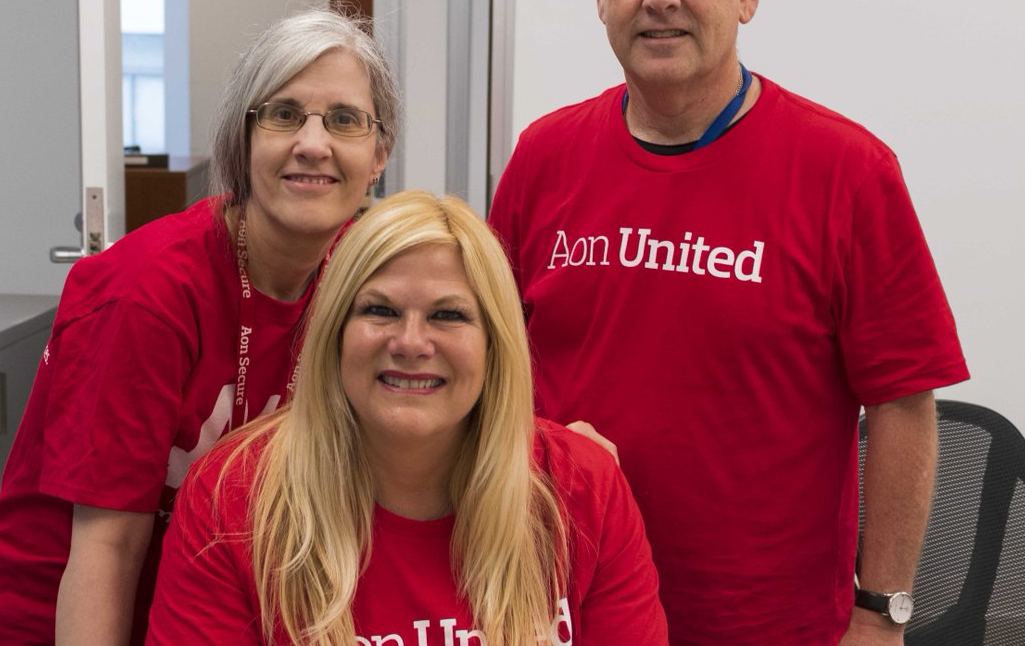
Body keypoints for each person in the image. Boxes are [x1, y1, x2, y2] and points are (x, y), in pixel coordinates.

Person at [487, 0, 969, 644]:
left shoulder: (846, 171)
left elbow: (904, 402)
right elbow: (487, 361)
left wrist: (882, 613)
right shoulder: (544, 156)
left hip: (764, 622)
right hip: (560, 602)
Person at [0, 8, 398, 644]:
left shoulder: (360, 283)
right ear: (242, 141)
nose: (313, 143)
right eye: (283, 114)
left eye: (345, 120)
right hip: (64, 617)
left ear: (379, 153)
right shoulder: (146, 293)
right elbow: (107, 548)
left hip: (200, 617)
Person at [146, 190, 669, 645]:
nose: (411, 343)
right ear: (334, 334)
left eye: (448, 315)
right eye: (379, 310)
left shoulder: (584, 490)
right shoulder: (231, 499)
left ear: (495, 344)